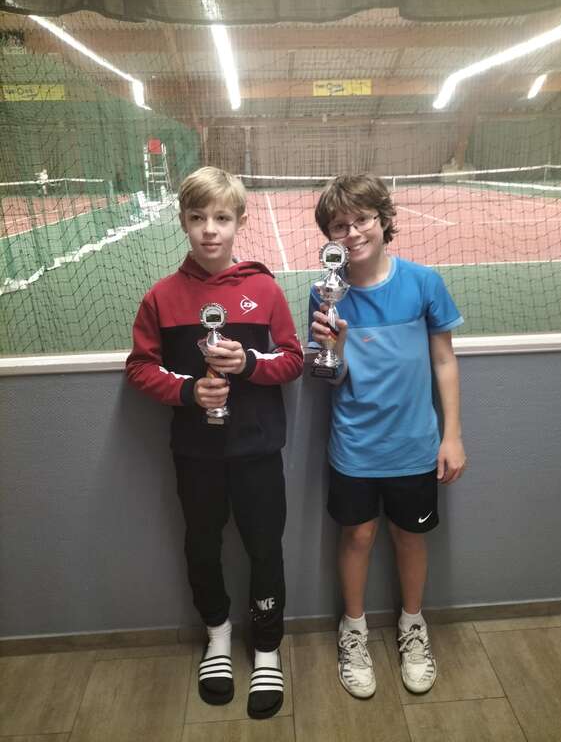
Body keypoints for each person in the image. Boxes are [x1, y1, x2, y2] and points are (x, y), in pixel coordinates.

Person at [126, 166, 303, 720]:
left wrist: (248, 363)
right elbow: (139, 368)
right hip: (196, 454)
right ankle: (218, 637)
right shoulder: (161, 297)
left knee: (264, 546)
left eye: (221, 218)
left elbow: (293, 359)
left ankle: (267, 648)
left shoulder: (264, 290)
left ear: (239, 222)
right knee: (202, 545)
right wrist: (188, 392)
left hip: (257, 450)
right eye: (198, 217)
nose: (209, 229)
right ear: (182, 221)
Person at [309, 174, 466, 699]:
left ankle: (412, 626)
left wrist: (452, 435)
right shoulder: (324, 294)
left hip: (415, 445)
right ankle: (353, 631)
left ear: (383, 221)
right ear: (329, 237)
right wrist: (337, 348)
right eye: (339, 225)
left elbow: (444, 360)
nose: (352, 232)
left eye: (362, 219)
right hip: (354, 446)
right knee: (357, 537)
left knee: (410, 537)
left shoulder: (423, 283)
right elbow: (331, 377)